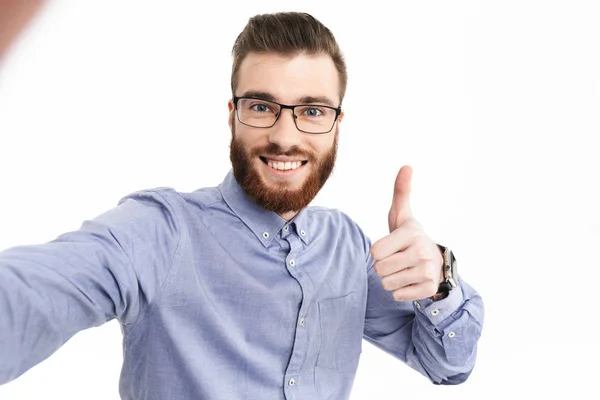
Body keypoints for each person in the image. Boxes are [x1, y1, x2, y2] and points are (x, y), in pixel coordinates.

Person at [0, 11, 484, 400]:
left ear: (337, 124)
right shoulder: (160, 232)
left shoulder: (348, 247)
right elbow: (34, 293)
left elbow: (447, 366)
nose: (284, 136)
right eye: (261, 106)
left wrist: (440, 283)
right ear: (232, 116)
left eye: (312, 111)